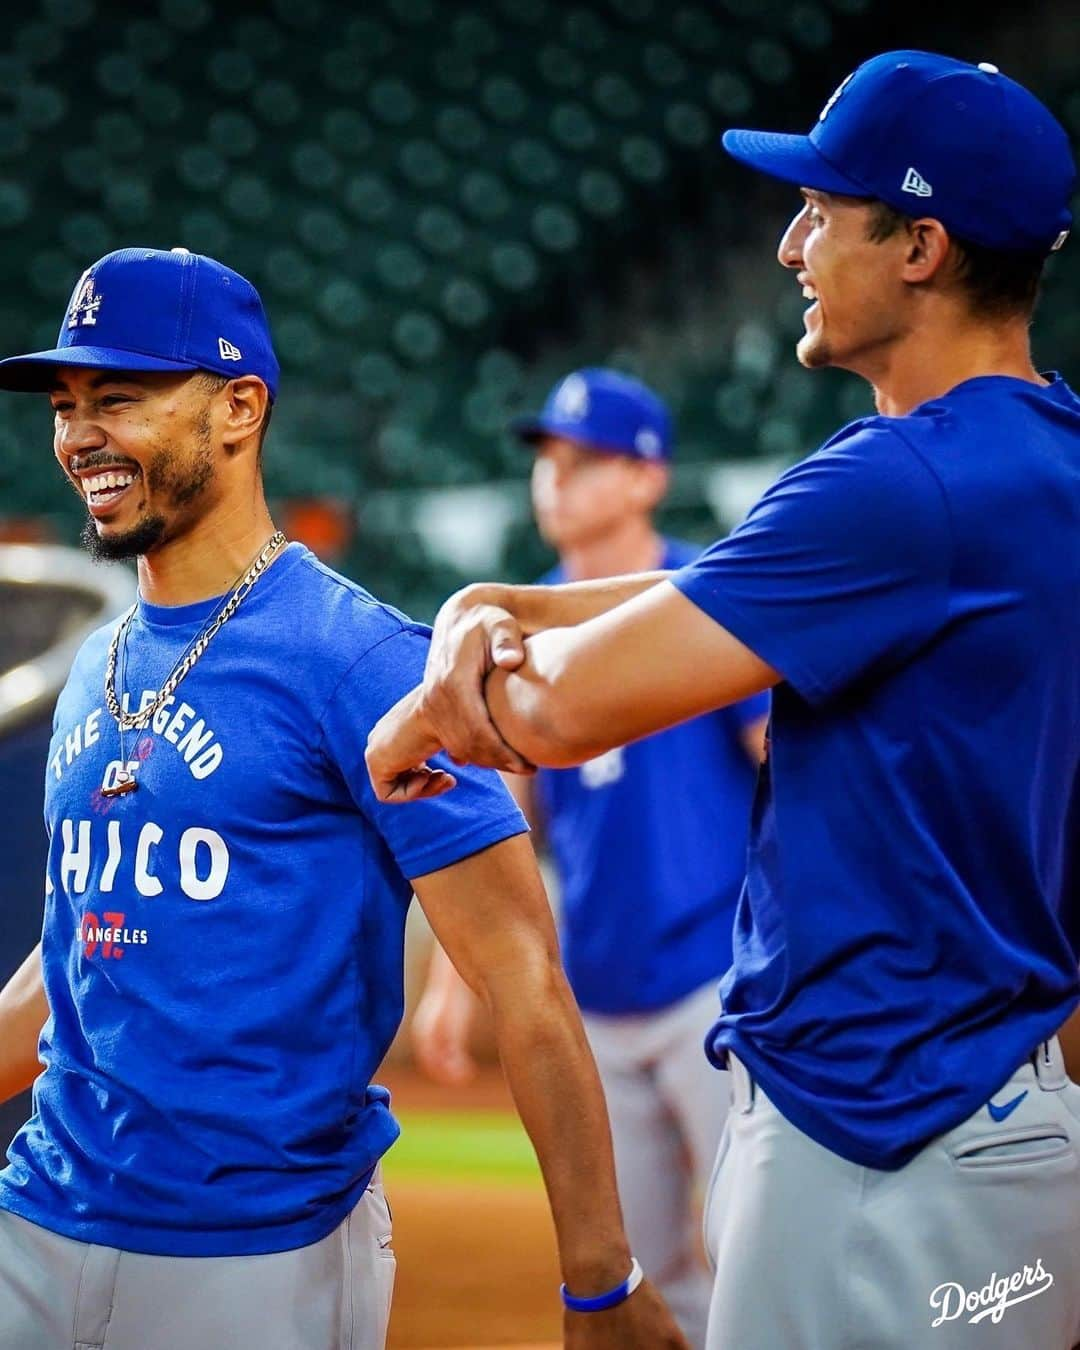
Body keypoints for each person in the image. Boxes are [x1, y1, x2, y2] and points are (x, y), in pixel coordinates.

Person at [366, 51, 1080, 1349]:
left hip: (878, 1133)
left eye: (821, 211)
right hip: (1008, 1111)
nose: (791, 245)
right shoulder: (1043, 459)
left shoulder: (894, 484)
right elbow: (683, 610)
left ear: (920, 246)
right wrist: (495, 605)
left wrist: (427, 698)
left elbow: (555, 714)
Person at [0, 246, 688, 1350]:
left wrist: (598, 1275)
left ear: (237, 409)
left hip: (258, 1251)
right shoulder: (99, 663)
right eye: (66, 403)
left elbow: (521, 974)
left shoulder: (358, 658)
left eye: (117, 399)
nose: (77, 433)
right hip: (34, 1216)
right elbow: (75, 948)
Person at [413, 366, 767, 1350]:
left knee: (758, 1253)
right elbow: (494, 820)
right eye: (546, 460)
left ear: (648, 477)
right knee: (641, 1277)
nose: (553, 479)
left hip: (720, 982)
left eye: (584, 459)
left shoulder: (709, 596)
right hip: (597, 1000)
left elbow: (784, 766)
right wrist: (453, 979)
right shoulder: (515, 632)